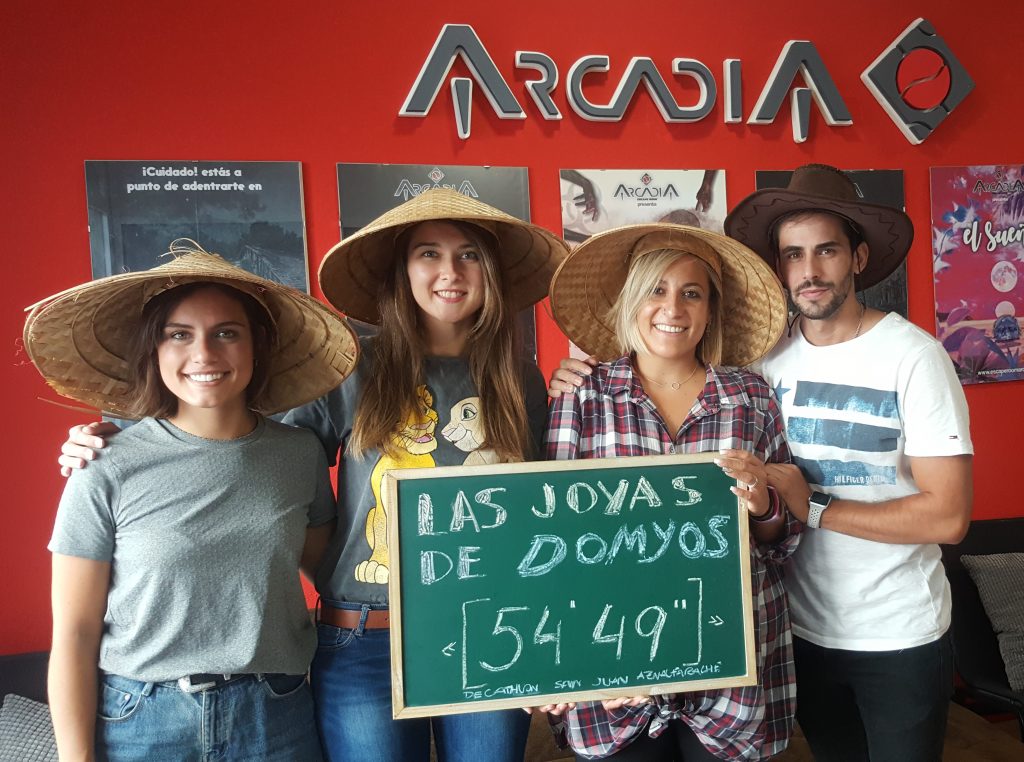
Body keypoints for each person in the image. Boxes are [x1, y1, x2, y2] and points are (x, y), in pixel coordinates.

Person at [58, 189, 568, 762]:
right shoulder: (353, 369)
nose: (450, 271)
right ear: (401, 272)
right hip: (365, 636)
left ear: (491, 272)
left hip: (490, 625)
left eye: (469, 254)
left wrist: (586, 384)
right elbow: (242, 449)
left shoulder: (519, 378)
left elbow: (545, 504)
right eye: (428, 253)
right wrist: (118, 442)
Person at [28, 241, 359, 761]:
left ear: (256, 347)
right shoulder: (104, 464)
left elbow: (337, 575)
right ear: (154, 351)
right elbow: (74, 632)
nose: (204, 354)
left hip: (275, 717)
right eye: (179, 335)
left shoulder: (299, 454)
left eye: (227, 333)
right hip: (143, 720)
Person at [721, 164, 974, 761]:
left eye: (827, 251)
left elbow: (949, 517)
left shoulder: (913, 357)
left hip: (900, 636)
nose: (809, 271)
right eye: (793, 255)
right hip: (803, 632)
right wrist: (584, 373)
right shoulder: (764, 362)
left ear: (858, 258)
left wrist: (814, 506)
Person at [539, 222, 798, 760]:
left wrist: (763, 505)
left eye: (692, 293)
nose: (673, 308)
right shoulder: (582, 395)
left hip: (729, 661)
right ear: (631, 300)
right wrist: (566, 660)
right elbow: (556, 537)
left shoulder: (750, 395)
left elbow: (783, 539)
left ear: (710, 309)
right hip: (615, 664)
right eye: (656, 289)